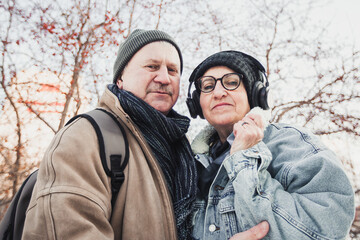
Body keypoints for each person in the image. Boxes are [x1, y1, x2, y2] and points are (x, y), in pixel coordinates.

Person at [21, 29, 267, 240]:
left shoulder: (185, 155)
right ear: (120, 78)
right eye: (151, 66)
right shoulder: (88, 136)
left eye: (172, 70)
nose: (163, 78)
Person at [186, 50, 355, 239]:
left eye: (231, 82)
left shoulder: (292, 144)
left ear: (255, 94)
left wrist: (244, 157)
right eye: (208, 86)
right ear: (196, 103)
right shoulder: (190, 166)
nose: (218, 92)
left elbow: (328, 228)